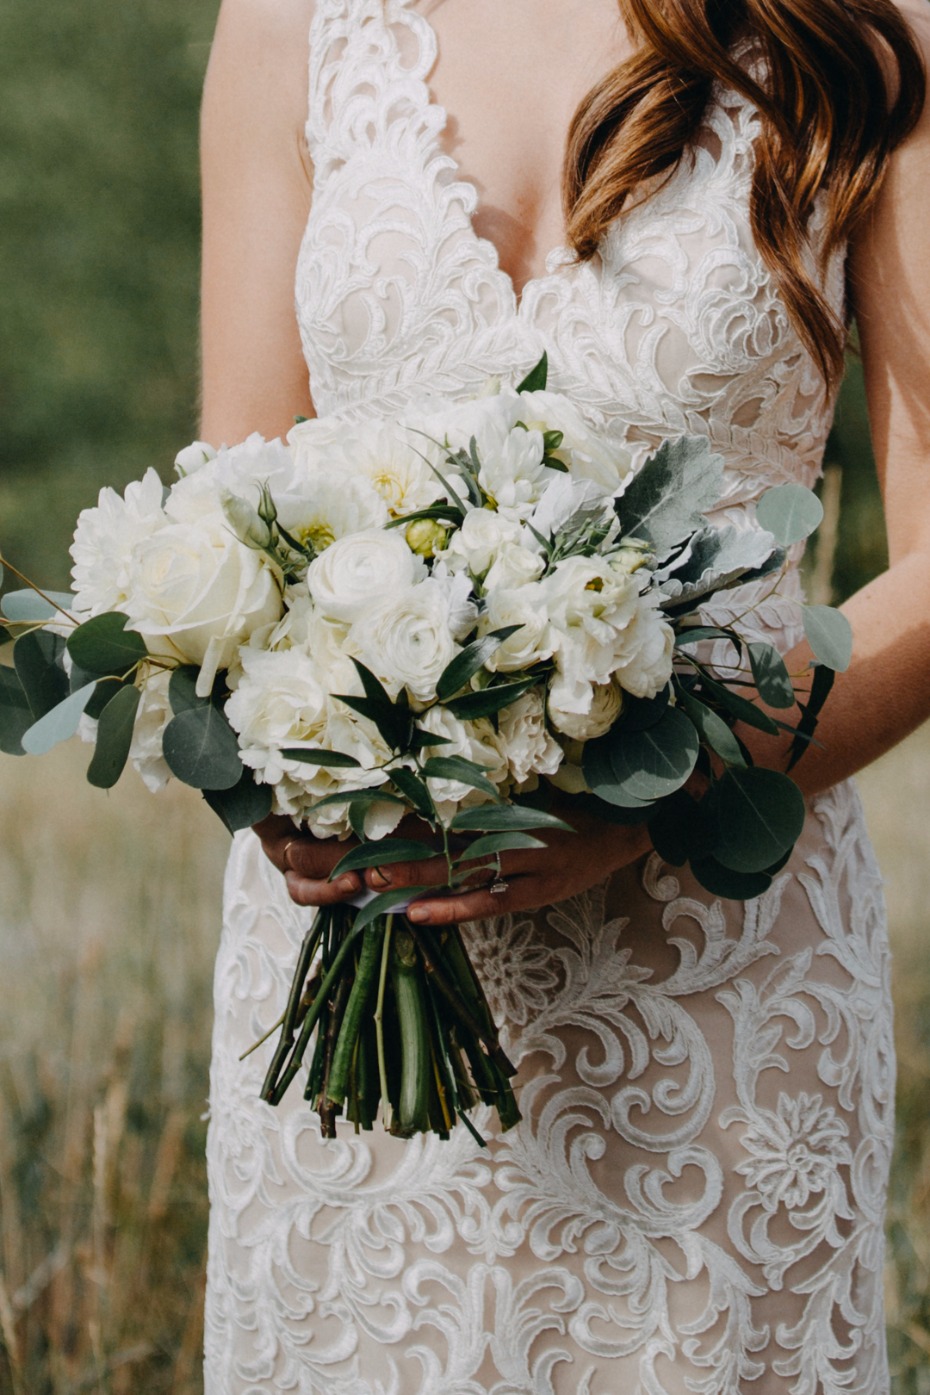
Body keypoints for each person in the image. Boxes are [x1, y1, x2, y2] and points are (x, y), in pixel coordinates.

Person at [197, 0, 930, 1389]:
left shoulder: (864, 28)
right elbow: (234, 502)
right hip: (363, 961)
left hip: (717, 981)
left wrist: (662, 797)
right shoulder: (289, 20)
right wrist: (277, 771)